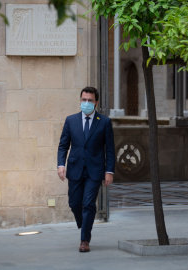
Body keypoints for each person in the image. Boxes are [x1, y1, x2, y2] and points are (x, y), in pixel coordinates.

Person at [57, 86, 115, 252]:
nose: (86, 103)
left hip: (95, 171)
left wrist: (109, 171)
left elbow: (110, 149)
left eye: (90, 100)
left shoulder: (104, 122)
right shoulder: (71, 120)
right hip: (75, 169)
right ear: (80, 100)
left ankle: (84, 240)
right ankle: (84, 223)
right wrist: (61, 165)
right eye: (84, 100)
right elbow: (63, 145)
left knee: (88, 204)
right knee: (75, 203)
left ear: (96, 102)